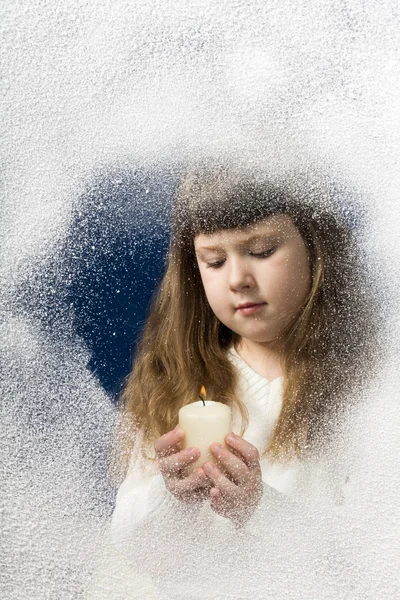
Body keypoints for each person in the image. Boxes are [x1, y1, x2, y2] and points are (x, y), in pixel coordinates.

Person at [105, 163, 379, 599]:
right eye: (214, 261)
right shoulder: (171, 385)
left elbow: (371, 562)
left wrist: (259, 510)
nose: (237, 280)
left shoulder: (372, 390)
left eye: (263, 250)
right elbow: (134, 548)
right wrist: (169, 494)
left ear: (316, 248)